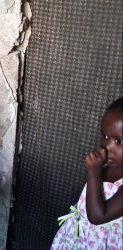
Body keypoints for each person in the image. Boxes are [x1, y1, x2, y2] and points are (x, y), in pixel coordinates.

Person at [51, 97, 123, 249]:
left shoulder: (98, 169)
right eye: (105, 136)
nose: (107, 146)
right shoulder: (106, 165)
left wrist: (93, 172)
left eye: (119, 141)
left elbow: (98, 216)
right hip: (78, 235)